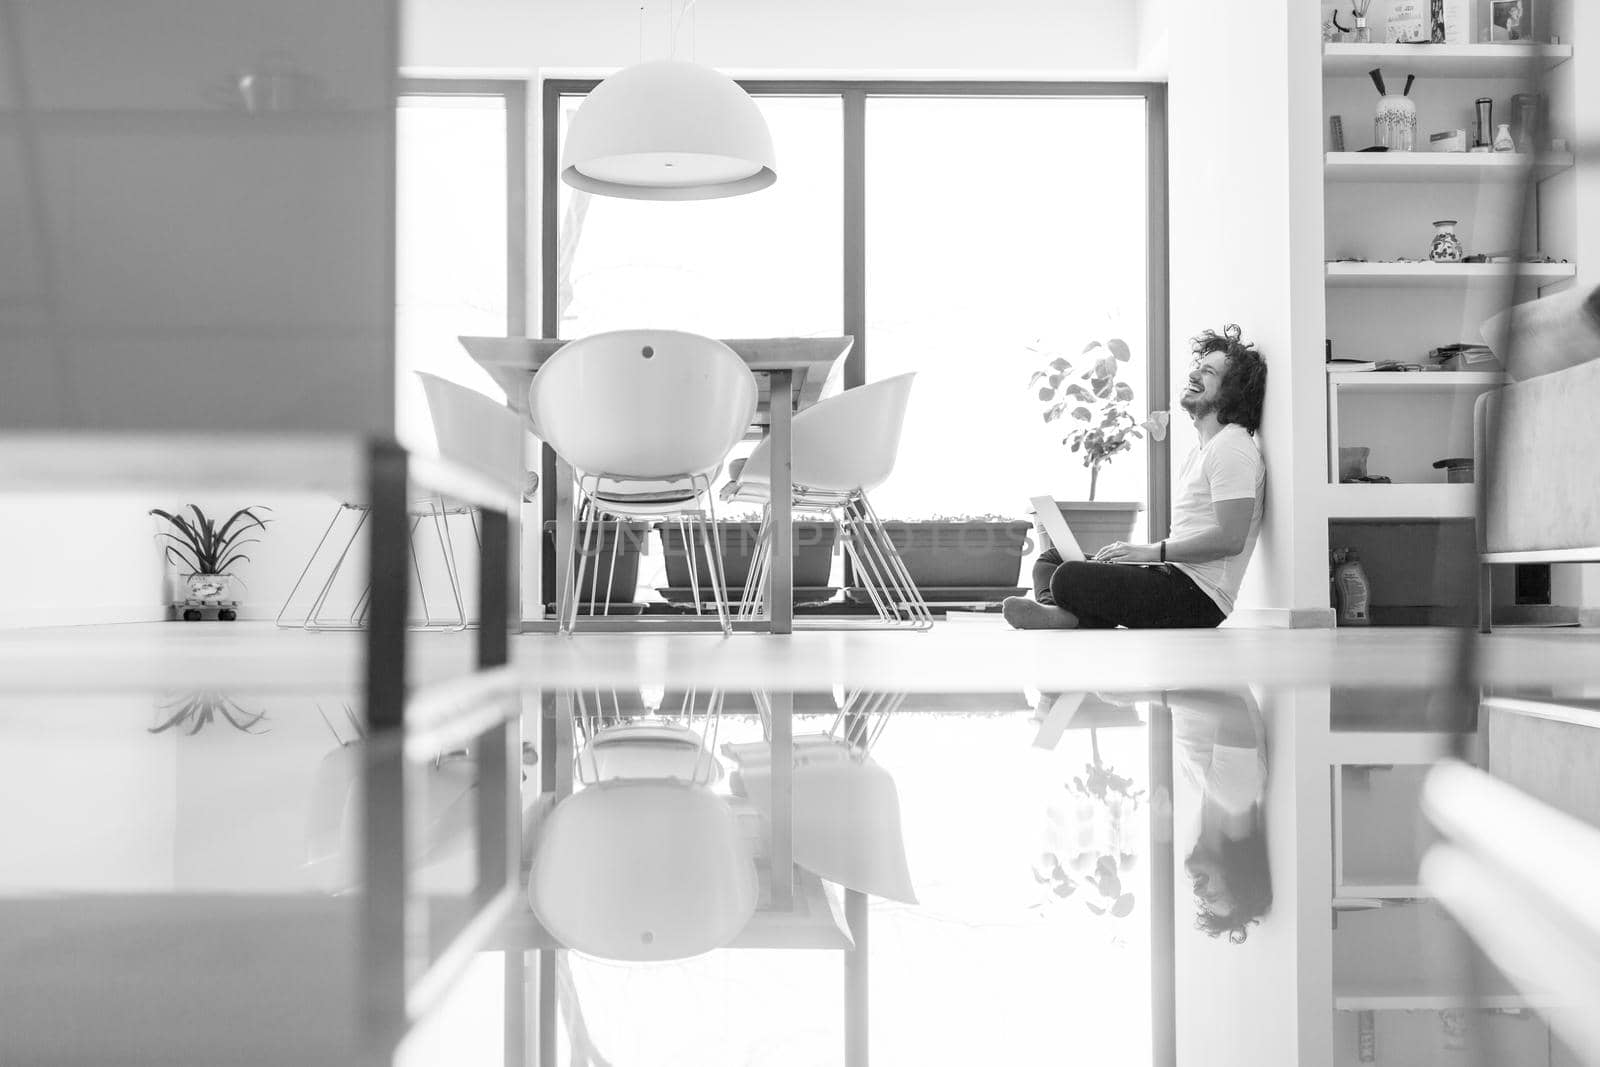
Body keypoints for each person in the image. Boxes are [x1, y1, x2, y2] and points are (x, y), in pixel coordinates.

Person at [1002, 324, 1267, 630]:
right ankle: (1064, 615)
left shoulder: (1232, 446)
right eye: (1197, 368)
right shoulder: (1203, 450)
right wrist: (1147, 559)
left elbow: (1230, 538)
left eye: (1208, 372)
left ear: (1230, 392)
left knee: (1067, 577)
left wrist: (1150, 551)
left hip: (1198, 598)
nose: (1193, 375)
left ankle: (1066, 616)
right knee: (1051, 560)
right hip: (1171, 575)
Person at [1169, 688, 1272, 944]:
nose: (1197, 891)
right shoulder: (1236, 794)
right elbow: (1234, 711)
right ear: (1235, 873)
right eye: (1212, 895)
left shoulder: (1203, 792)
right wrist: (1151, 697)